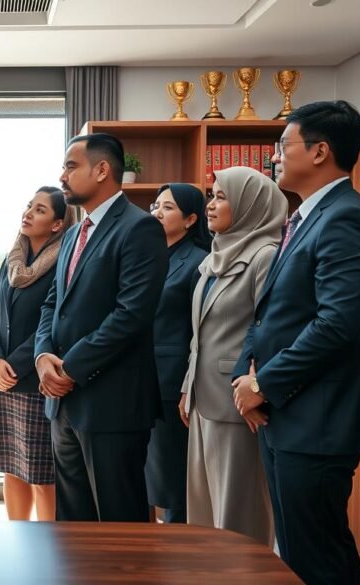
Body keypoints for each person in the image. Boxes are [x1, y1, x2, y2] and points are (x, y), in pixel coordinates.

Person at [232, 101, 360, 585]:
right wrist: (248, 377)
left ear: (320, 151)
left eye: (283, 146)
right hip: (289, 411)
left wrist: (266, 383)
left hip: (320, 415)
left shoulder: (346, 218)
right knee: (297, 549)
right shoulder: (305, 218)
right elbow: (272, 312)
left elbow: (340, 324)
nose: (274, 158)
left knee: (318, 553)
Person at [34, 133, 167, 522]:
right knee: (72, 525)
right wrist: (43, 357)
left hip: (113, 405)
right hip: (62, 405)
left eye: (71, 167)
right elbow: (51, 304)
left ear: (102, 169)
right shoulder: (74, 233)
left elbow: (131, 315)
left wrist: (70, 369)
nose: (62, 176)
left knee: (119, 526)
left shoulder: (140, 228)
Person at [180, 166, 285, 543]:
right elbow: (202, 333)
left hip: (239, 400)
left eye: (221, 197)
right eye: (211, 195)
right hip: (202, 399)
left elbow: (267, 330)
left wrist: (257, 387)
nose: (211, 204)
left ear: (249, 205)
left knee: (238, 516)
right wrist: (188, 385)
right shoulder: (214, 256)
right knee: (204, 512)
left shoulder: (265, 255)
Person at [0, 187, 78, 521]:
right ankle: (15, 541)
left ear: (56, 224)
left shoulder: (63, 263)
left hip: (37, 381)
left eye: (39, 210)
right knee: (11, 469)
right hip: (3, 381)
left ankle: (46, 553)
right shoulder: (12, 260)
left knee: (41, 475)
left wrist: (15, 365)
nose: (28, 213)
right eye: (29, 206)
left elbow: (49, 324)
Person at [145, 183, 210, 524]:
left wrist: (188, 384)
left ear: (190, 219)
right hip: (138, 381)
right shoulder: (147, 255)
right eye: (156, 205)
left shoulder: (198, 262)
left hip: (172, 385)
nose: (156, 211)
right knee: (141, 478)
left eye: (167, 207)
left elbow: (201, 333)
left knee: (172, 481)